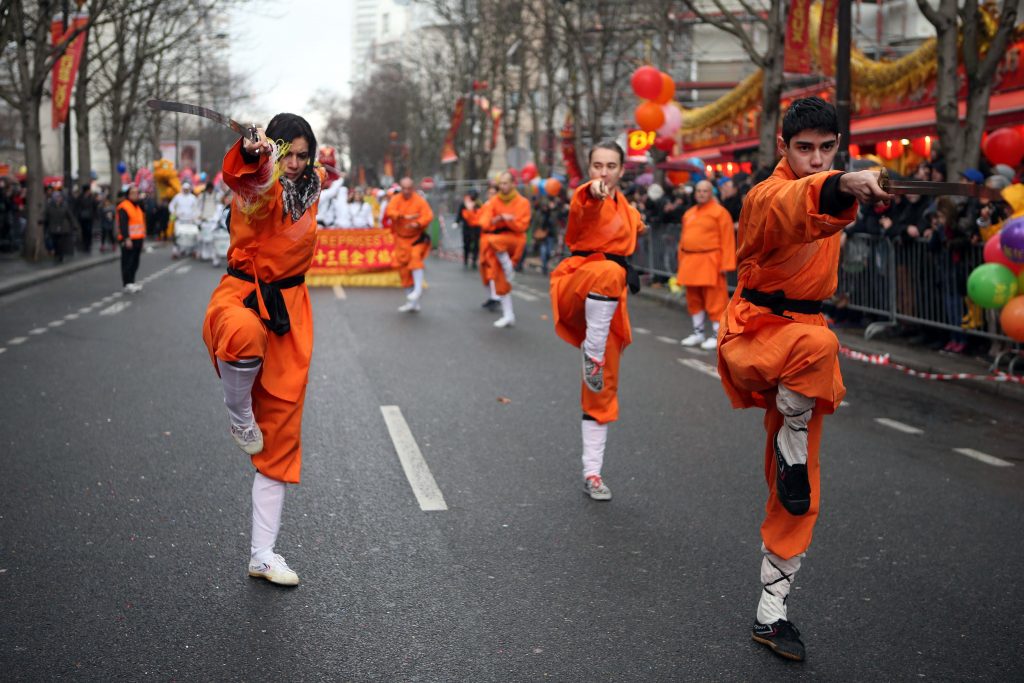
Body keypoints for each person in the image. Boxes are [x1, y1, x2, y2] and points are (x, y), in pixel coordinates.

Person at [716, 97, 891, 662]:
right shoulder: (766, 194)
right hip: (757, 334)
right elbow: (797, 205)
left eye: (827, 148)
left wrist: (857, 185)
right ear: (783, 149)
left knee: (798, 494)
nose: (816, 159)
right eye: (805, 148)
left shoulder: (834, 179)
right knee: (821, 342)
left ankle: (772, 616)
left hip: (805, 358)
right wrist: (842, 185)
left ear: (837, 144)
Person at [201, 113, 326, 587]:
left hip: (290, 316)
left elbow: (318, 172)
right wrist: (256, 152)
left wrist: (318, 165)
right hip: (242, 296)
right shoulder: (262, 183)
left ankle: (263, 554)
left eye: (302, 155)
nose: (294, 164)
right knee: (238, 335)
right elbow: (248, 175)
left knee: (279, 437)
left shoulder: (310, 187)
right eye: (287, 153)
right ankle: (238, 413)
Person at [550, 141, 645, 501]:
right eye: (597, 166)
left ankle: (592, 472)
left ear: (622, 170)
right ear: (589, 169)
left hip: (608, 301)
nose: (603, 172)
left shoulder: (628, 209)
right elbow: (585, 202)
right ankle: (592, 350)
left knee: (601, 388)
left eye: (610, 166)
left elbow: (634, 224)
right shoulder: (586, 197)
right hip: (579, 281)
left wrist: (642, 224)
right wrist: (592, 190)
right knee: (607, 270)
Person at [677, 179, 736, 350]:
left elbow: (727, 239)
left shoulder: (720, 213)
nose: (701, 194)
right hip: (690, 260)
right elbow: (683, 240)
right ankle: (698, 333)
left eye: (705, 191)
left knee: (715, 299)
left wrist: (726, 264)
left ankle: (717, 334)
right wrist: (681, 262)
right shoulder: (688, 213)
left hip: (711, 260)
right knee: (693, 298)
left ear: (711, 193)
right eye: (699, 191)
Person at [477, 171, 531, 327]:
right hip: (498, 244)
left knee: (492, 240)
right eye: (500, 183)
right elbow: (485, 222)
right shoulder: (493, 201)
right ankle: (509, 315)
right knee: (500, 280)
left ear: (513, 183)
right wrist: (499, 219)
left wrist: (507, 220)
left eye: (506, 183)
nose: (503, 186)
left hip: (514, 239)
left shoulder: (522, 202)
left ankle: (508, 266)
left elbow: (521, 225)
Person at [384, 177, 434, 312]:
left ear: (413, 188)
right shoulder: (396, 199)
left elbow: (428, 215)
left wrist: (417, 223)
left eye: (409, 188)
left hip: (416, 238)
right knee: (403, 270)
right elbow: (390, 211)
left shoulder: (419, 200)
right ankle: (412, 302)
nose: (406, 191)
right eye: (404, 188)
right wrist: (402, 216)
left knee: (415, 257)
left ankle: (417, 290)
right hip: (401, 239)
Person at [116, 185, 146, 291]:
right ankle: (127, 283)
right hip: (129, 239)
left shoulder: (137, 206)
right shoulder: (124, 207)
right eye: (133, 193)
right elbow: (123, 224)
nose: (136, 195)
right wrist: (126, 238)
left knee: (135, 262)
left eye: (137, 193)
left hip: (138, 238)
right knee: (127, 261)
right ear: (128, 195)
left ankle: (132, 281)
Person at [44, 188, 79, 264]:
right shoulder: (50, 206)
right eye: (57, 197)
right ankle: (56, 254)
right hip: (53, 226)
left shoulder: (65, 206)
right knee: (55, 242)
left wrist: (74, 225)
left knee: (61, 242)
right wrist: (42, 221)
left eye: (59, 197)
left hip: (63, 227)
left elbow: (70, 216)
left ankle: (60, 255)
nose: (58, 199)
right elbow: (46, 216)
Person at [169, 181, 202, 258]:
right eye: (184, 189)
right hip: (180, 220)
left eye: (187, 189)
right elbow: (171, 205)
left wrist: (196, 216)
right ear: (182, 189)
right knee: (177, 235)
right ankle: (175, 251)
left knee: (193, 235)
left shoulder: (192, 198)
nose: (185, 190)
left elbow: (197, 208)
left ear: (189, 189)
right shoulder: (178, 197)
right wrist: (174, 212)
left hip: (190, 221)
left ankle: (194, 250)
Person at [457, 189, 482, 269]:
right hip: (467, 227)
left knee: (476, 244)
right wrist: (457, 221)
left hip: (476, 227)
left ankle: (474, 260)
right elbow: (460, 214)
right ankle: (466, 259)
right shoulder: (464, 204)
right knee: (466, 243)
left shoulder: (479, 204)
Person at [73, 184, 98, 253]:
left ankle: (88, 245)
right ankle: (85, 244)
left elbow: (95, 206)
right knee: (84, 231)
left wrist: (94, 215)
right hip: (82, 217)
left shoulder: (91, 198)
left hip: (89, 217)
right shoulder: (80, 198)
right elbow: (76, 207)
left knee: (89, 231)